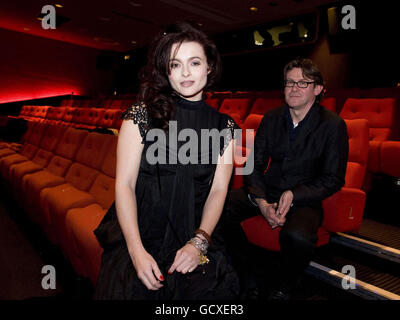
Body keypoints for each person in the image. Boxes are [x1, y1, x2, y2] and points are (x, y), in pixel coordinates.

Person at [93, 22, 240, 300]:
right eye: (175, 64)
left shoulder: (226, 127)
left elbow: (219, 190)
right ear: (166, 71)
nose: (185, 72)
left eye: (194, 62)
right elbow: (124, 185)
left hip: (194, 235)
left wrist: (199, 243)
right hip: (140, 233)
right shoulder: (141, 115)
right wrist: (136, 253)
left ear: (209, 67)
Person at [222, 58, 349, 300]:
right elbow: (254, 165)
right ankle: (247, 273)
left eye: (303, 83)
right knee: (217, 208)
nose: (294, 88)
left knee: (297, 236)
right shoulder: (271, 118)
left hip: (305, 197)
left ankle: (286, 285)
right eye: (289, 82)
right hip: (268, 190)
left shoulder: (333, 125)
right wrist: (260, 200)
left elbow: (333, 178)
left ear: (318, 89)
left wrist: (295, 194)